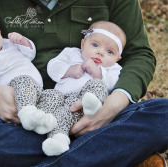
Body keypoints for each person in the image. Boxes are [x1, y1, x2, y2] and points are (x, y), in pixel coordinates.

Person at [0, 0, 168, 167]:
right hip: (22, 115)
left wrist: (114, 105)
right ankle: (107, 153)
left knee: (164, 114)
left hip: (94, 114)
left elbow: (139, 53)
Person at [42, 20, 126, 156]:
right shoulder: (70, 53)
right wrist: (68, 70)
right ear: (82, 44)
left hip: (85, 110)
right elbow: (53, 66)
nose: (100, 53)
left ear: (118, 58)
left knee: (97, 86)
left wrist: (97, 72)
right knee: (49, 97)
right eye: (94, 45)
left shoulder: (113, 69)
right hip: (61, 100)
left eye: (109, 51)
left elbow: (111, 83)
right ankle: (45, 128)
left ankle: (59, 137)